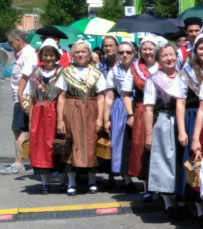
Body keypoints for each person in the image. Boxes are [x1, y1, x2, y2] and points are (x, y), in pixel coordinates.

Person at [54, 40, 107, 195]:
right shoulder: (66, 72)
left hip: (92, 110)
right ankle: (71, 183)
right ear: (73, 54)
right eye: (77, 52)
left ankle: (92, 181)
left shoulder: (96, 73)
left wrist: (100, 118)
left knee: (92, 144)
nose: (81, 54)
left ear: (89, 54)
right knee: (71, 143)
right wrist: (60, 120)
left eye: (84, 51)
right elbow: (61, 97)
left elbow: (101, 97)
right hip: (71, 110)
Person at [144, 41, 185, 217]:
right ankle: (168, 203)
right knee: (164, 161)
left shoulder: (184, 76)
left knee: (182, 160)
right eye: (164, 55)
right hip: (164, 121)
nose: (169, 58)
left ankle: (182, 200)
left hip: (184, 121)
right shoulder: (153, 79)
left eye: (171, 54)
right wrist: (148, 135)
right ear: (158, 59)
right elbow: (148, 109)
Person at [177, 33, 203, 220]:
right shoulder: (187, 72)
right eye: (201, 48)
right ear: (195, 51)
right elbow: (180, 103)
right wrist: (182, 130)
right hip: (194, 119)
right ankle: (200, 210)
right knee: (196, 162)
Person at [22, 39, 62, 194]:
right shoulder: (36, 74)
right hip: (40, 114)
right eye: (45, 55)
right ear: (41, 56)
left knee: (58, 145)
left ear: (56, 56)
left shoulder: (63, 72)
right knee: (40, 147)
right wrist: (30, 121)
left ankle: (63, 180)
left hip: (57, 111)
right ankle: (45, 183)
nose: (48, 58)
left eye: (51, 55)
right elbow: (31, 98)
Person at [103, 40, 137, 190]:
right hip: (120, 107)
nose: (125, 55)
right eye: (121, 52)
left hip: (138, 105)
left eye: (128, 52)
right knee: (121, 142)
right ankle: (127, 179)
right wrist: (106, 119)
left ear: (134, 53)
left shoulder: (139, 69)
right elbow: (109, 97)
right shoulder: (114, 71)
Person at [128, 36, 159, 196]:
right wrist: (129, 114)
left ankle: (161, 187)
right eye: (144, 49)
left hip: (161, 110)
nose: (147, 52)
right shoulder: (134, 68)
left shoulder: (164, 65)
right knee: (143, 148)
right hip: (142, 110)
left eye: (151, 49)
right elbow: (126, 93)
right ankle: (147, 187)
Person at [4, 29, 36, 175]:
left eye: (11, 42)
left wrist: (25, 99)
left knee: (18, 128)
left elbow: (29, 77)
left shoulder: (28, 54)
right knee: (21, 128)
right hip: (21, 98)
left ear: (18, 40)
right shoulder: (22, 55)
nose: (10, 46)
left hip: (23, 98)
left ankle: (19, 164)